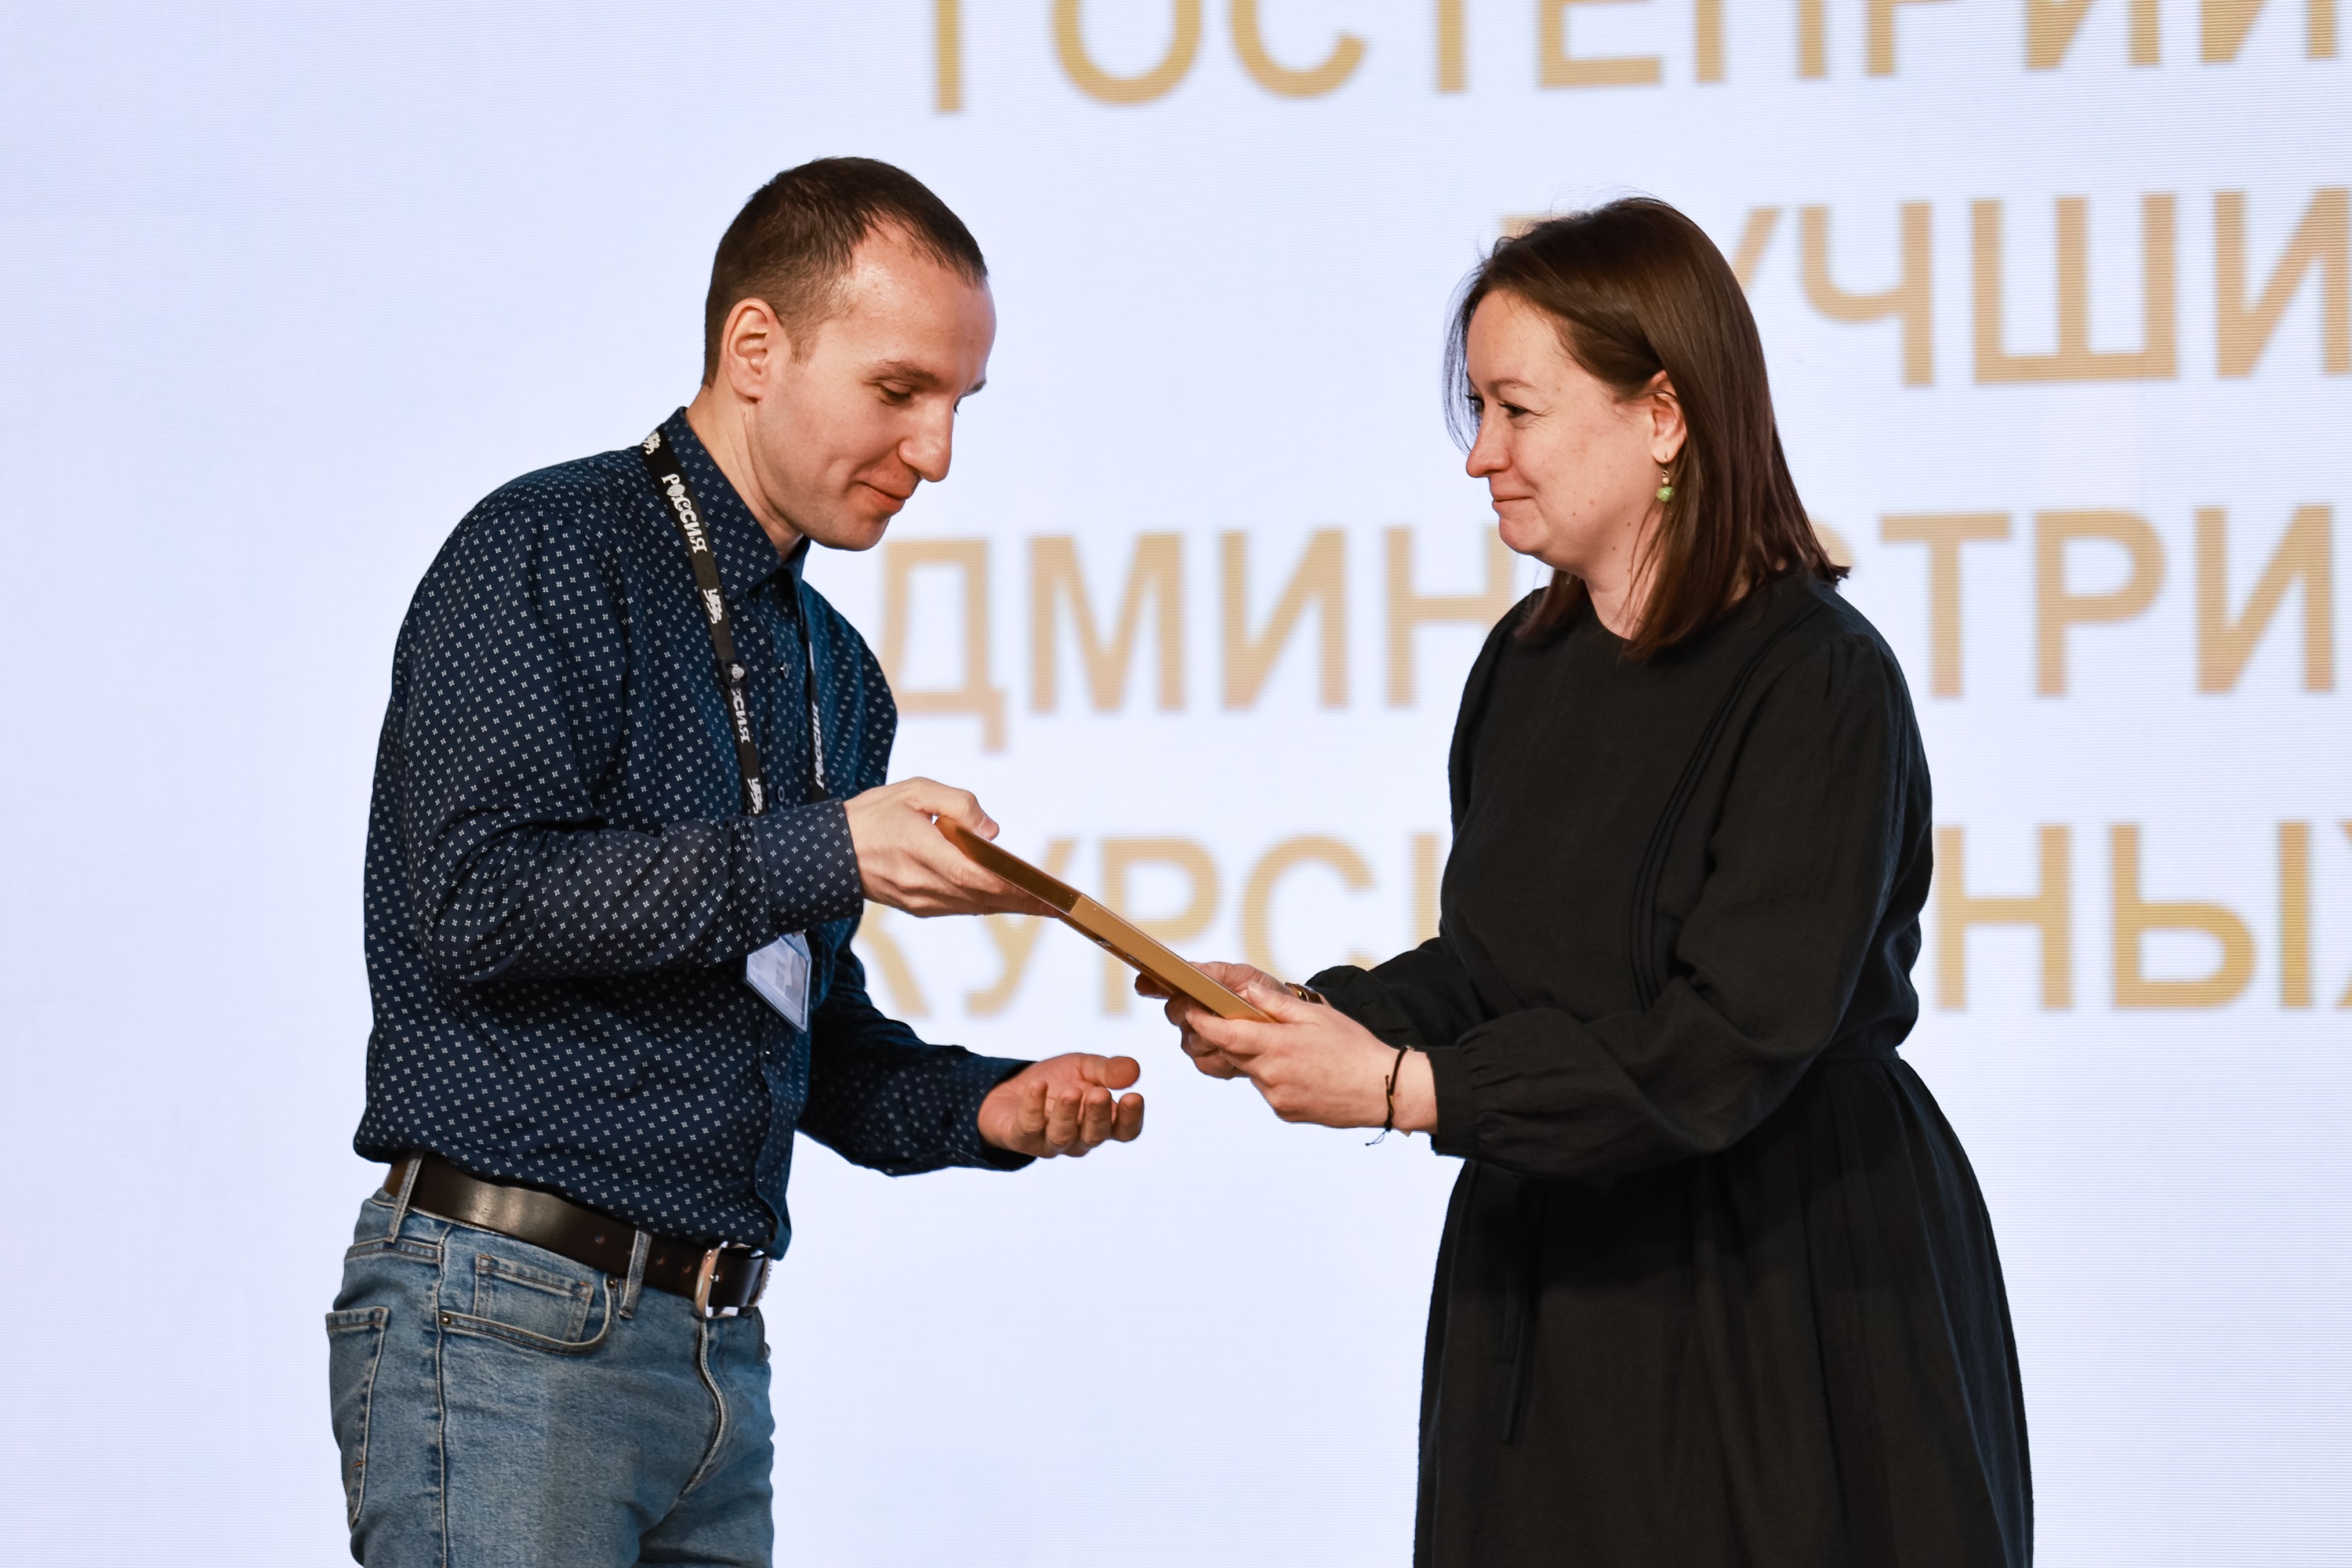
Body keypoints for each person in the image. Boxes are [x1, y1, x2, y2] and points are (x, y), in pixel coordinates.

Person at [1152, 198, 2031, 1566]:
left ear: (1663, 415)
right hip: (1554, 1283)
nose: (1480, 456)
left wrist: (1402, 1092)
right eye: (1477, 410)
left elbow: (1725, 1046)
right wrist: (1322, 1013)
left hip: (1778, 1294)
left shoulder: (1819, 681)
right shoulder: (1527, 662)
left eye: (1516, 410)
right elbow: (1499, 964)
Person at [328, 158, 1144, 1568]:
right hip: (505, 1319)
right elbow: (474, 900)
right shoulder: (548, 547)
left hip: (714, 1357)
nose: (938, 453)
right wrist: (822, 846)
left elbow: (782, 1025)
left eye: (961, 405)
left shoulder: (837, 672)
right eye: (901, 392)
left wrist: (981, 1109)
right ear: (754, 348)